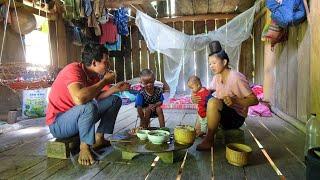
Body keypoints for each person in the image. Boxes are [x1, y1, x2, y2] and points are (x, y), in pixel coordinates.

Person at [46, 43, 130, 165]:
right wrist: (105, 81)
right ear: (94, 62)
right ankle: (84, 147)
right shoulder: (73, 69)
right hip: (58, 124)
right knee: (88, 105)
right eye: (105, 62)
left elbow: (97, 96)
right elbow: (80, 99)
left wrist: (115, 89)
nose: (109, 65)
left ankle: (99, 139)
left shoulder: (93, 75)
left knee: (115, 100)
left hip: (77, 118)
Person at [194, 41, 258, 151]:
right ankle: (198, 130)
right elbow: (208, 93)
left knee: (213, 102)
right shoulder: (217, 77)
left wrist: (235, 101)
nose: (211, 66)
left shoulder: (236, 77)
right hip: (224, 114)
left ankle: (209, 140)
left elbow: (254, 100)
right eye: (210, 63)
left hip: (235, 118)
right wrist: (195, 96)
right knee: (205, 100)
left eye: (214, 63)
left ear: (224, 62)